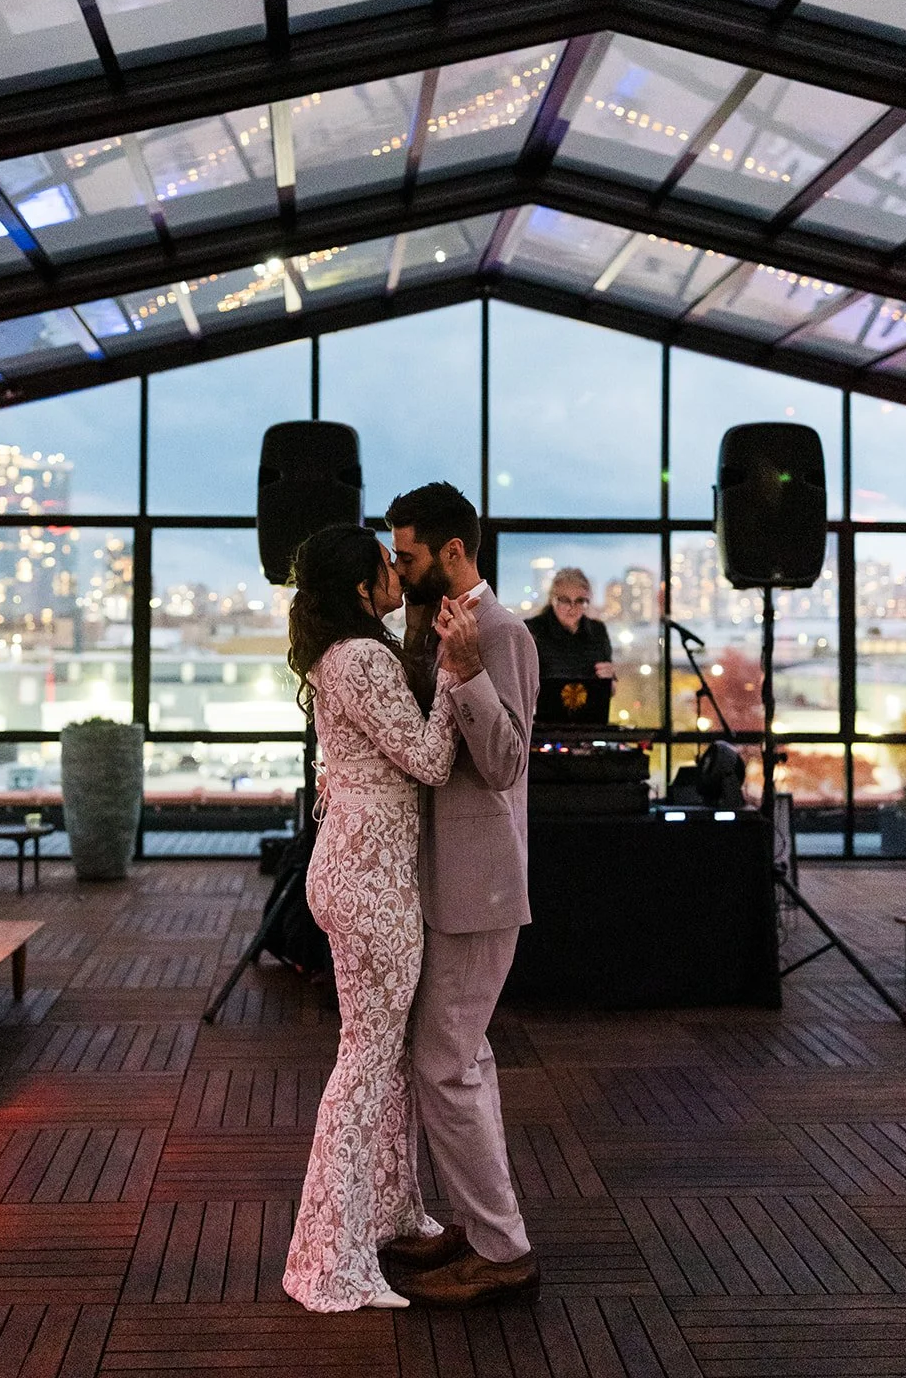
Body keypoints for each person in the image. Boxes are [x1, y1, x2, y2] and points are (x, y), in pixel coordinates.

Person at [281, 523, 478, 1313]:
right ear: (362, 587)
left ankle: (391, 1214)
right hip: (371, 878)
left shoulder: (346, 652)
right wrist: (460, 676)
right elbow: (430, 762)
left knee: (381, 1056)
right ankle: (329, 1258)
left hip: (357, 864)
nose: (399, 572)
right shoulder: (362, 658)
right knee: (364, 1063)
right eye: (385, 566)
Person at [382, 481, 541, 1308]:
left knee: (445, 1064)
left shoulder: (501, 631)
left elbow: (507, 763)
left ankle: (504, 1248)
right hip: (436, 881)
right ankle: (480, 1228)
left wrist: (469, 672)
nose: (397, 566)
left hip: (476, 886)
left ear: (451, 552)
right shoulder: (427, 626)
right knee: (455, 1059)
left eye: (406, 554)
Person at [526, 567, 616, 686]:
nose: (572, 607)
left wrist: (609, 679)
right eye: (565, 600)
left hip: (590, 704)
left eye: (579, 601)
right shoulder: (532, 630)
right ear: (552, 599)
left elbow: (611, 688)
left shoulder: (597, 630)